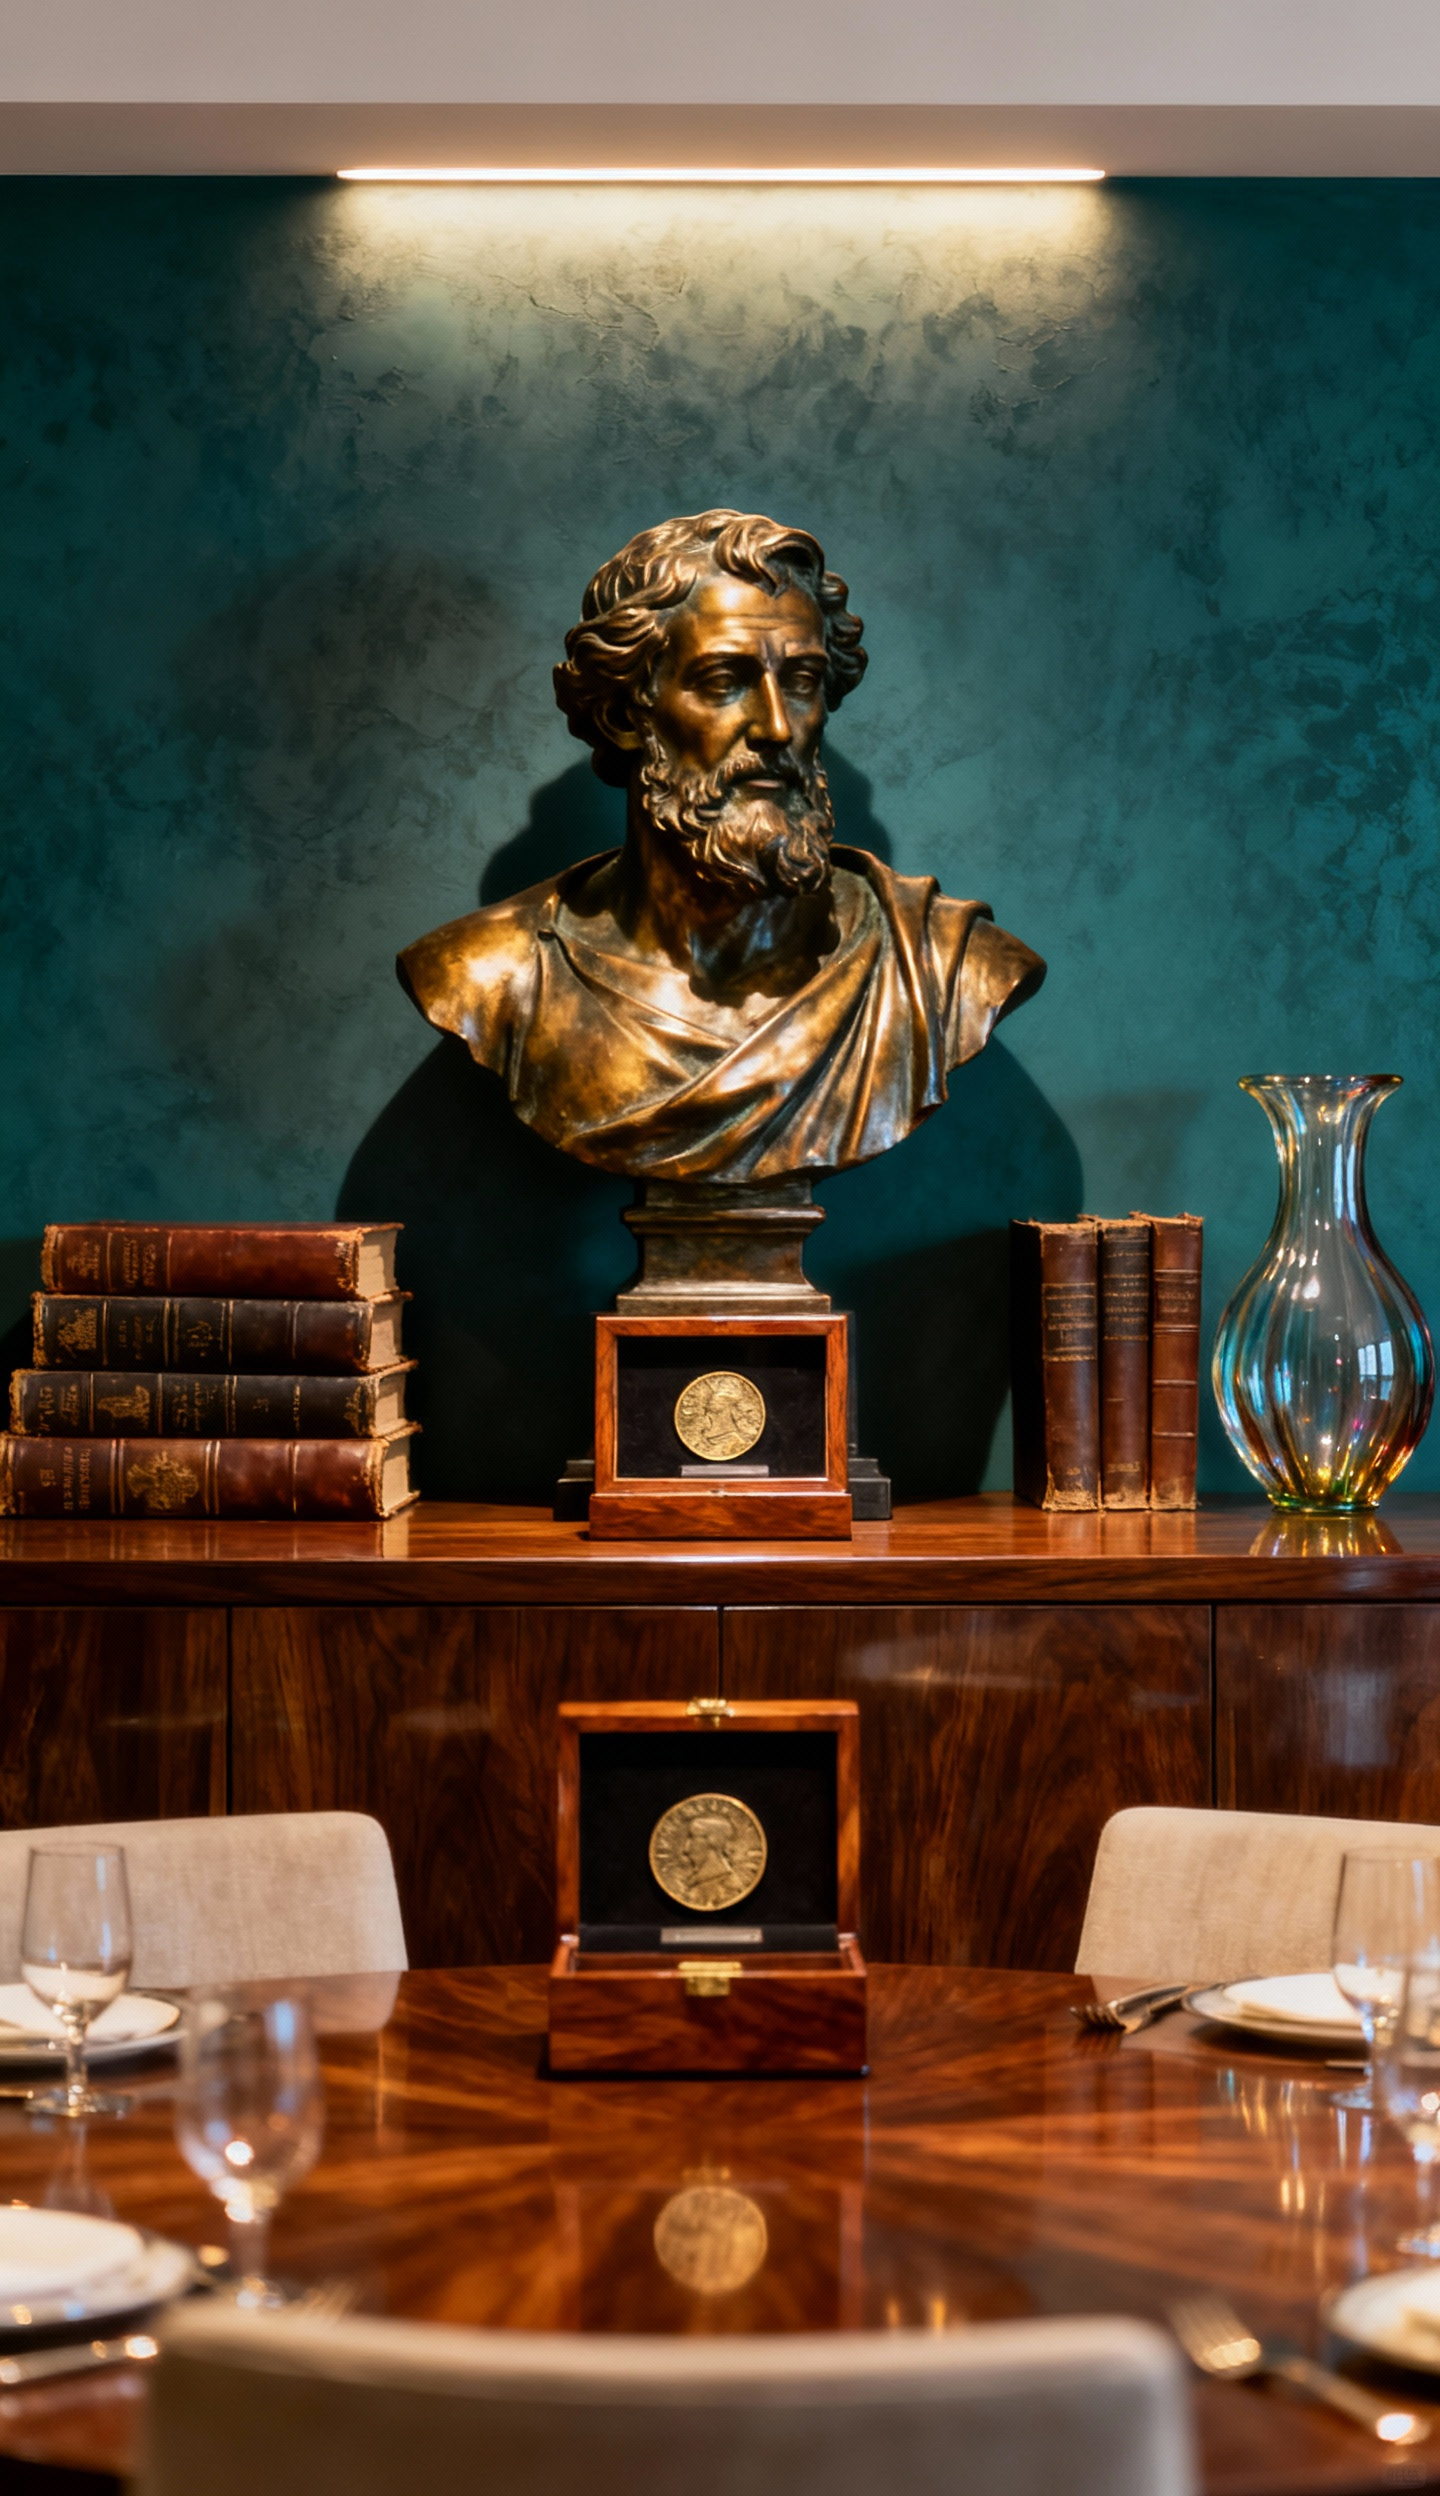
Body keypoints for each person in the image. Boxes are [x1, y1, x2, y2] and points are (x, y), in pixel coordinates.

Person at [398, 510, 1044, 1182]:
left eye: (800, 682)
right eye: (723, 681)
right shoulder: (491, 976)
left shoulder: (941, 967)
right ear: (625, 715)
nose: (774, 726)